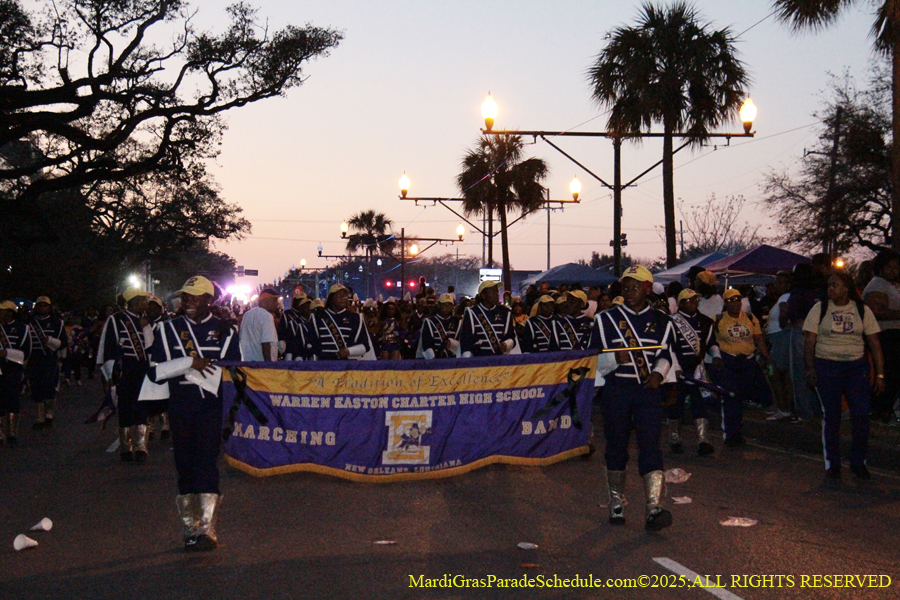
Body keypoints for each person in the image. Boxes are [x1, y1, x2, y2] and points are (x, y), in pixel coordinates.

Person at [145, 275, 240, 551]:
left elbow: (233, 370)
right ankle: (190, 526)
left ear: (209, 300)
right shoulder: (167, 330)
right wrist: (190, 363)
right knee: (184, 463)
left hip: (210, 406)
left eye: (195, 297)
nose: (188, 301)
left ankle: (207, 528)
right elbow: (155, 371)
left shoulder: (226, 331)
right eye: (185, 296)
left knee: (207, 462)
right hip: (181, 404)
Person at [589, 265, 675, 531]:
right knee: (616, 446)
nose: (629, 291)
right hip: (617, 390)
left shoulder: (663, 320)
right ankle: (616, 501)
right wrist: (614, 358)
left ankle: (653, 507)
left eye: (635, 286)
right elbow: (592, 359)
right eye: (625, 286)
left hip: (647, 391)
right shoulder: (605, 319)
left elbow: (665, 354)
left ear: (647, 288)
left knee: (651, 446)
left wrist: (659, 374)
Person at [804, 272, 884, 480]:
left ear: (847, 288)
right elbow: (810, 341)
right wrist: (811, 367)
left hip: (856, 367)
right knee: (832, 415)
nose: (831, 289)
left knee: (860, 414)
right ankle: (833, 463)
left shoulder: (861, 310)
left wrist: (880, 374)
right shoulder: (820, 309)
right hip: (827, 365)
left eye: (835, 285)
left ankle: (859, 462)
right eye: (829, 285)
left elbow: (874, 344)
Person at [711, 288, 774, 446]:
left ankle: (738, 430)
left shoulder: (750, 318)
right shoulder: (718, 319)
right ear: (725, 303)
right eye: (731, 300)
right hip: (729, 362)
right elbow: (711, 341)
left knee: (743, 398)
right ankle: (731, 434)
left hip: (747, 362)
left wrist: (767, 357)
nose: (735, 303)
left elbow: (758, 339)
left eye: (738, 299)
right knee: (730, 397)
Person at [96, 288, 152, 462]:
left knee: (142, 406)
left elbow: (150, 347)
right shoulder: (117, 319)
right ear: (135, 301)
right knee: (125, 407)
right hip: (125, 369)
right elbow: (110, 345)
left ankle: (141, 446)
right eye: (144, 299)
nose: (146, 303)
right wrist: (111, 373)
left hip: (142, 368)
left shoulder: (144, 320)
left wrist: (146, 328)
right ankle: (125, 447)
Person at [666, 288, 721, 456]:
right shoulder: (671, 321)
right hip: (678, 370)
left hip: (697, 370)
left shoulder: (705, 322)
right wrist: (675, 368)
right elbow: (668, 347)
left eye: (696, 300)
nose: (694, 303)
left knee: (700, 404)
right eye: (690, 300)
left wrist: (716, 355)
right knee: (676, 405)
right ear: (682, 303)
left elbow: (711, 343)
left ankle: (703, 440)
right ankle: (675, 439)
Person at [862, 249, 900, 424]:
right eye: (889, 267)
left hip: (894, 333)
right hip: (885, 334)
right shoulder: (877, 285)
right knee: (888, 373)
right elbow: (877, 312)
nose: (893, 271)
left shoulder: (892, 284)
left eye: (896, 267)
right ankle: (880, 409)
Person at [26, 296, 65, 430]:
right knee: (36, 387)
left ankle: (49, 414)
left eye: (45, 305)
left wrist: (50, 341)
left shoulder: (57, 322)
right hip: (34, 358)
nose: (42, 308)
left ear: (49, 307)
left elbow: (63, 342)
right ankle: (39, 417)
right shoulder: (29, 322)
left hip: (49, 358)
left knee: (48, 386)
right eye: (40, 305)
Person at [309, 284, 375, 360]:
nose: (343, 298)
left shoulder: (355, 318)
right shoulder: (318, 317)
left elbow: (365, 346)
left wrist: (349, 351)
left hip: (348, 366)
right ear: (331, 299)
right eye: (339, 296)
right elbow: (311, 343)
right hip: (324, 366)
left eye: (345, 295)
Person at [0, 300, 31, 446]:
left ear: (10, 313)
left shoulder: (22, 329)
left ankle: (12, 432)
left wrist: (7, 353)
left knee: (12, 399)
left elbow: (26, 352)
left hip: (13, 369)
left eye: (3, 310)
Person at [458, 281, 518, 357]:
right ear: (483, 296)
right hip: (479, 362)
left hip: (501, 361)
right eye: (492, 292)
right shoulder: (472, 313)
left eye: (497, 291)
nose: (496, 294)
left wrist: (506, 344)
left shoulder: (505, 312)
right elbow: (466, 340)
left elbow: (511, 337)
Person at [766, 271, 793, 421]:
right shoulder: (783, 298)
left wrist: (782, 324)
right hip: (779, 337)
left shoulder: (784, 297)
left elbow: (784, 313)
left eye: (779, 282)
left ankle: (783, 408)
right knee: (783, 375)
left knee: (775, 373)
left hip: (781, 337)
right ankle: (783, 407)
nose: (776, 285)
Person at [239, 289, 279, 362]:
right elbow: (266, 344)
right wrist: (268, 366)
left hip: (247, 364)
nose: (277, 304)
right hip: (261, 366)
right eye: (275, 300)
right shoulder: (267, 316)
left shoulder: (247, 315)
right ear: (267, 301)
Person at [417, 294, 460, 359]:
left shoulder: (458, 322)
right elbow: (426, 344)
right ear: (439, 305)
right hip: (436, 360)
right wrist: (433, 361)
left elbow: (462, 342)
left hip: (454, 360)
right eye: (444, 304)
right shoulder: (430, 321)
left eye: (449, 305)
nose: (447, 307)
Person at [278, 290, 313, 361]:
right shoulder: (287, 314)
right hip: (291, 347)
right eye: (299, 300)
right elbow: (282, 331)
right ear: (295, 301)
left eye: (303, 300)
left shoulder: (308, 315)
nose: (301, 302)